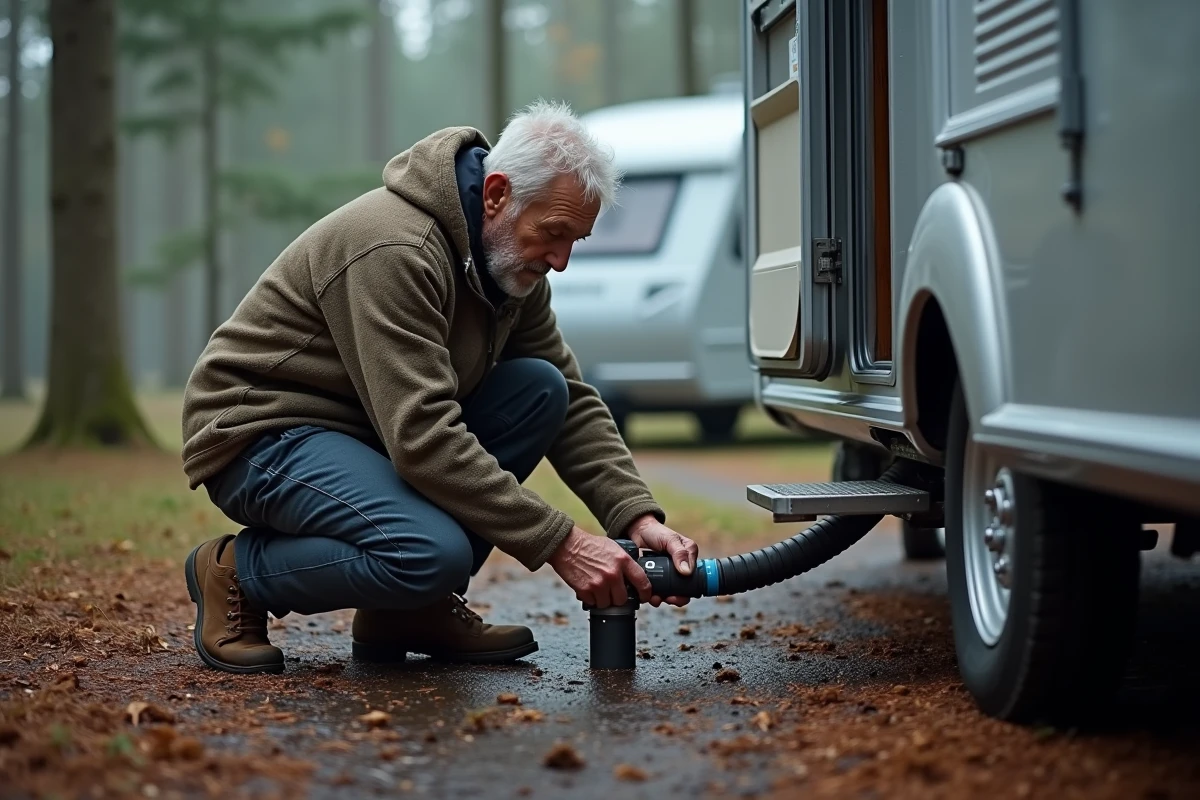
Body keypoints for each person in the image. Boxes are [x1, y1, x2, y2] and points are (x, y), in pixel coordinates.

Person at [179, 100, 700, 674]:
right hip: (262, 430)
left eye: (576, 240)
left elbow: (573, 404)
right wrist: (564, 543)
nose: (561, 260)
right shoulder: (394, 248)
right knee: (429, 551)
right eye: (553, 234)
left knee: (540, 390)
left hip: (365, 428)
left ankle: (406, 610)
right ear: (497, 194)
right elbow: (424, 438)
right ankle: (238, 572)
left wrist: (636, 519)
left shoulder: (511, 268)